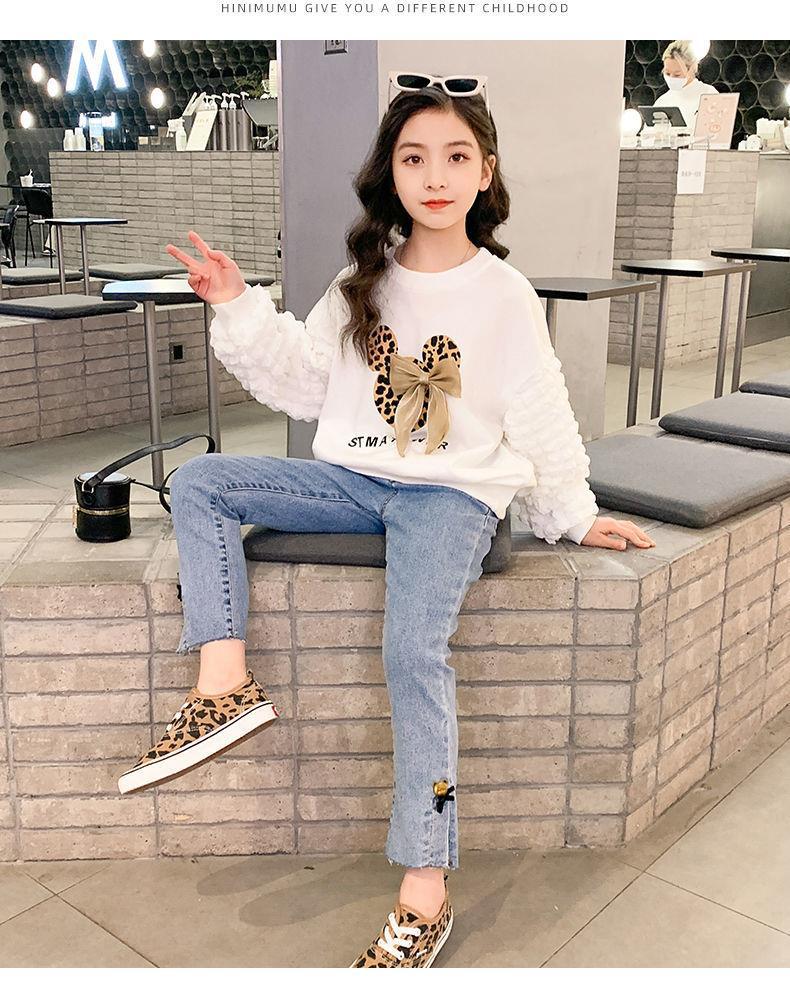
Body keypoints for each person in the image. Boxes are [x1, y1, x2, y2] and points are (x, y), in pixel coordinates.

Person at [117, 71, 656, 967]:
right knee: (204, 480)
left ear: (485, 172)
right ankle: (224, 683)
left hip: (452, 495)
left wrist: (571, 513)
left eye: (455, 156)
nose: (435, 176)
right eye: (414, 158)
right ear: (391, 173)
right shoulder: (359, 280)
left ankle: (424, 891)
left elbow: (540, 410)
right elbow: (304, 382)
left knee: (412, 653)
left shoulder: (504, 294)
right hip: (355, 479)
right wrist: (237, 304)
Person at [653, 40, 718, 129]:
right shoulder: (663, 101)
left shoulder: (709, 94)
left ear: (692, 68)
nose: (671, 78)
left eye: (677, 74)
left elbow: (717, 132)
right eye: (667, 73)